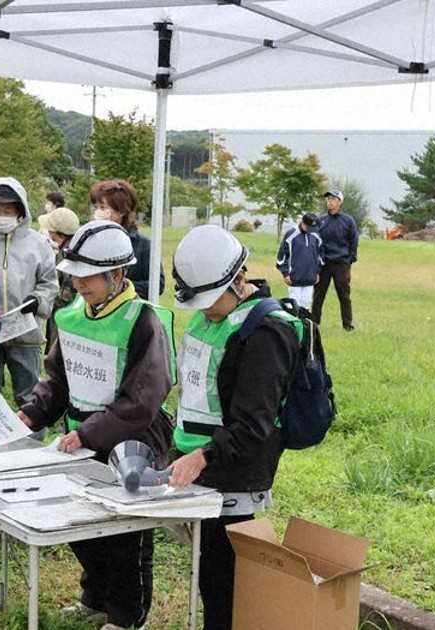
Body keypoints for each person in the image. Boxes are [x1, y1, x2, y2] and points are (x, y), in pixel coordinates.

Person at [17, 220, 176, 630]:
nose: (79, 283)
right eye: (75, 274)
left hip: (133, 442)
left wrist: (88, 433)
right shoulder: (71, 315)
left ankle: (126, 615)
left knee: (125, 535)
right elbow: (58, 380)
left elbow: (143, 399)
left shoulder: (143, 321)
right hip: (81, 439)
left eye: (88, 276)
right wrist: (31, 413)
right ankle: (95, 597)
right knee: (81, 525)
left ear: (117, 275)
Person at [166, 225, 300, 630]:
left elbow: (254, 423)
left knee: (227, 585)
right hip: (203, 468)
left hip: (235, 475)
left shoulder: (266, 332)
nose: (206, 309)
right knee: (211, 575)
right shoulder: (211, 316)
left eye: (211, 300)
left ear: (239, 278)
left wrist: (204, 455)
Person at [0, 177, 58, 407]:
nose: (2, 215)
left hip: (25, 332)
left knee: (30, 396)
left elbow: (49, 283)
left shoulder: (39, 244)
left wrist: (37, 300)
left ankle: (31, 431)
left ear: (20, 211)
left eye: (8, 210)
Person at [90, 180, 164, 300]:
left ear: (121, 211)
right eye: (96, 207)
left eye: (103, 207)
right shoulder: (90, 240)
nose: (98, 211)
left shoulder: (143, 245)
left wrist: (121, 288)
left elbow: (157, 284)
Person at [310, 189, 359, 332]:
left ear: (340, 202)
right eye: (328, 199)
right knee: (318, 295)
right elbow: (315, 240)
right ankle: (314, 323)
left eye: (333, 199)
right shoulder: (321, 220)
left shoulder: (348, 221)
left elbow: (354, 240)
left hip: (341, 264)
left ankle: (347, 324)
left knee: (344, 295)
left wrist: (350, 258)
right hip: (324, 263)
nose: (329, 202)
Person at [39, 206, 80, 352]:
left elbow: (69, 291)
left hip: (66, 317)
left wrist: (46, 299)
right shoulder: (73, 248)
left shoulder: (68, 255)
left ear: (55, 232)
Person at [276, 212, 323, 309]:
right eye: (308, 227)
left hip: (310, 278)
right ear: (303, 222)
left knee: (306, 304)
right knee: (294, 306)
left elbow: (319, 254)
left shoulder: (316, 235)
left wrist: (317, 272)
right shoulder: (291, 234)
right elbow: (282, 256)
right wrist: (285, 273)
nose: (310, 230)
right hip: (294, 278)